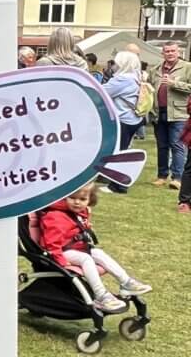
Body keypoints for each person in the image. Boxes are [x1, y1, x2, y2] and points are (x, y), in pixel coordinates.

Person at [38, 182, 151, 313]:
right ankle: (101, 295)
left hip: (78, 247)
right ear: (64, 197)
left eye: (82, 199)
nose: (77, 203)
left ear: (90, 199)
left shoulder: (80, 212)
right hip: (63, 252)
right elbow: (52, 244)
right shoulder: (56, 216)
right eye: (73, 198)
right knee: (86, 259)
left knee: (99, 253)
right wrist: (62, 261)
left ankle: (126, 282)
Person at [98, 50, 144, 194]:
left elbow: (102, 92)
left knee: (119, 152)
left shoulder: (122, 79)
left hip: (123, 119)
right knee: (123, 150)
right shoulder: (136, 76)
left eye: (116, 63)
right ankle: (117, 182)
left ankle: (118, 185)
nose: (113, 65)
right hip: (133, 118)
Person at [147, 41, 191, 190]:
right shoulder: (155, 70)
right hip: (160, 112)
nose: (170, 53)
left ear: (178, 52)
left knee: (177, 145)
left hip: (179, 113)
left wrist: (174, 84)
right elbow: (149, 88)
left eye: (173, 51)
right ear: (163, 53)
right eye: (167, 51)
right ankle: (161, 176)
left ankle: (177, 178)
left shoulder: (187, 68)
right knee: (162, 146)